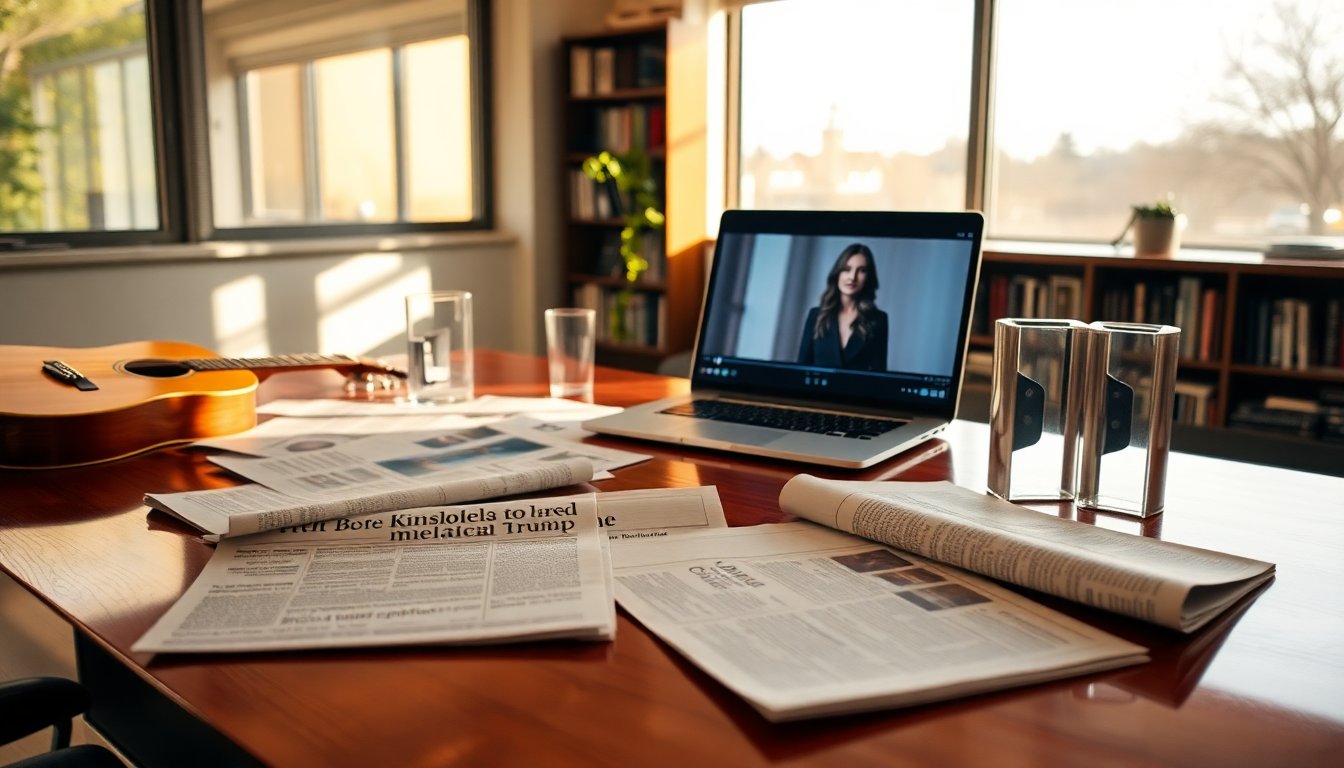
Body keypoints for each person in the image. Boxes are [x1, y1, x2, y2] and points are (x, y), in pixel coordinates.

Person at [796, 243, 888, 371]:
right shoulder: (815, 316)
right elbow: (801, 369)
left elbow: (879, 376)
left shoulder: (879, 320)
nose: (852, 277)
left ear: (868, 277)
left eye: (861, 271)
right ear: (838, 273)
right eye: (847, 269)